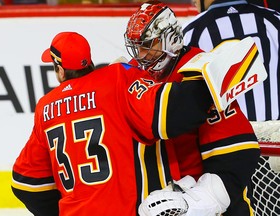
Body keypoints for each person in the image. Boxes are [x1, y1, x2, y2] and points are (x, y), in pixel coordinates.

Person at [11, 31, 215, 216]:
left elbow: (25, 183)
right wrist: (208, 80)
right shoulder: (117, 78)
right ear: (88, 61)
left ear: (60, 71)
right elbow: (175, 110)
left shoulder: (45, 107)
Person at [124, 1, 260, 215]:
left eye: (148, 44)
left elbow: (238, 153)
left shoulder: (200, 71)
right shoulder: (133, 71)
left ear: (170, 39)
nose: (141, 54)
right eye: (138, 46)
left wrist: (199, 201)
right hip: (160, 194)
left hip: (205, 201)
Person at [182, 0, 280, 122]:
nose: (192, 1)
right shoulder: (275, 20)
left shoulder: (190, 31)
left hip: (229, 139)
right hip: (276, 137)